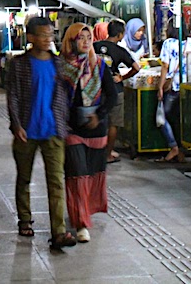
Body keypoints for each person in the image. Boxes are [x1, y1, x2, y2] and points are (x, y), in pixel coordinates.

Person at [6, 16, 78, 251]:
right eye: (44, 35)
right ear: (31, 38)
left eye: (51, 35)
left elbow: (67, 94)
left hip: (54, 130)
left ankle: (58, 232)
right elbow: (13, 96)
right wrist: (16, 125)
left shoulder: (58, 64)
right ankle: (25, 219)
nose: (49, 39)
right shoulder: (19, 64)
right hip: (27, 130)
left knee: (56, 181)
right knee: (24, 178)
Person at [58, 22, 116, 244]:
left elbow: (111, 96)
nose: (85, 42)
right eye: (80, 38)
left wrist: (98, 115)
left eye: (88, 38)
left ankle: (85, 214)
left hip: (96, 129)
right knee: (77, 175)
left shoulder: (99, 65)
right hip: (71, 129)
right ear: (70, 41)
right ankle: (81, 223)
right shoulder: (61, 67)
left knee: (91, 176)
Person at [93, 19, 141, 163]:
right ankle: (107, 155)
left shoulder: (94, 46)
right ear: (120, 35)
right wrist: (122, 77)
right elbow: (137, 68)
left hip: (95, 90)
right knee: (113, 124)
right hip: (114, 89)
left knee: (97, 120)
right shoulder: (120, 50)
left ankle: (95, 152)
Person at [154, 23, 185, 163]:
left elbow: (165, 66)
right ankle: (181, 151)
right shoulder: (189, 43)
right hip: (186, 86)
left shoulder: (169, 43)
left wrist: (160, 86)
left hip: (173, 86)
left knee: (164, 118)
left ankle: (174, 146)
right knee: (179, 119)